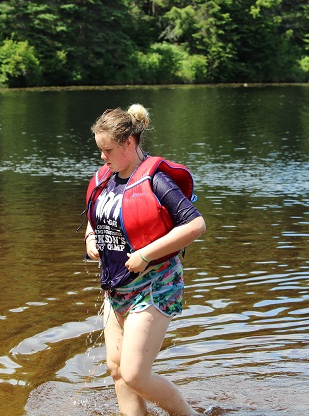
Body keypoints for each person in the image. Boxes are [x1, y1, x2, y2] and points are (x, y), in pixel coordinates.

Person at [83, 103, 206, 416]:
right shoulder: (104, 180)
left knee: (135, 373)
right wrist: (90, 238)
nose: (102, 157)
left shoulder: (156, 181)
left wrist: (145, 254)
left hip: (155, 284)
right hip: (117, 288)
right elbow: (94, 218)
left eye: (107, 149)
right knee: (116, 368)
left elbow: (195, 225)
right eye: (99, 150)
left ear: (128, 144)